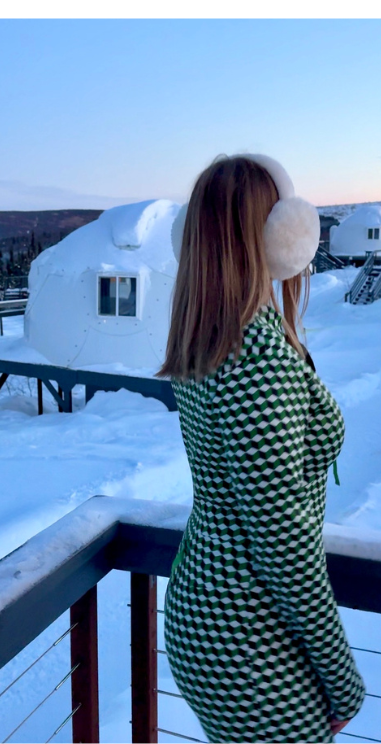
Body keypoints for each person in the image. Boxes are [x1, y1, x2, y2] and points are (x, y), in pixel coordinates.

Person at [158, 154, 365, 743]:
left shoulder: (216, 336)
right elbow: (283, 544)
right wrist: (342, 677)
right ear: (276, 236)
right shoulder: (258, 362)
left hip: (214, 618)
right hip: (249, 639)